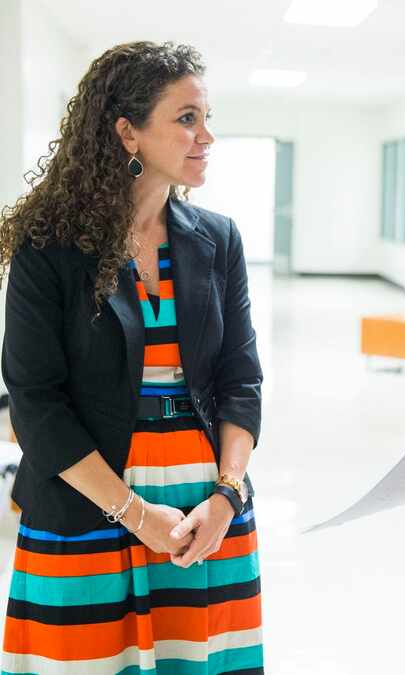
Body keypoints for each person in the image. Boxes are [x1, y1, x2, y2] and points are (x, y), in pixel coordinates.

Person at [0, 42, 264, 673]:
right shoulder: (50, 245)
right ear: (127, 132)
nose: (207, 136)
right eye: (187, 118)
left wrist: (226, 495)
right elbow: (36, 404)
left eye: (206, 117)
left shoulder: (217, 239)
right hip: (88, 499)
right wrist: (134, 513)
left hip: (203, 511)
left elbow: (241, 380)